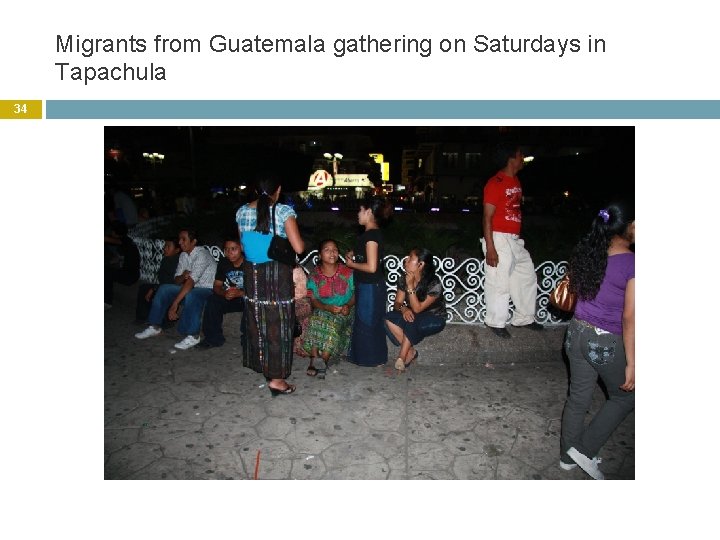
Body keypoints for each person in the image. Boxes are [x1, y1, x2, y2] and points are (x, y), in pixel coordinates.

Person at [559, 202, 635, 480]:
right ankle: (584, 449)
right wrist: (632, 362)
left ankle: (567, 457)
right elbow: (629, 317)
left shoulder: (588, 253)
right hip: (604, 340)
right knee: (627, 397)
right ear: (629, 227)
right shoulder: (631, 262)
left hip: (575, 333)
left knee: (577, 398)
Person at [236, 176, 304, 396]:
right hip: (275, 276)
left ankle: (264, 367)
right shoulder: (283, 212)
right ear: (279, 189)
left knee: (257, 322)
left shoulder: (241, 212)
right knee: (278, 326)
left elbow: (245, 246)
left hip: (252, 275)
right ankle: (276, 379)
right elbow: (299, 248)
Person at [481, 143, 543, 339]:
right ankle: (495, 321)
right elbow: (487, 217)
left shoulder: (515, 181)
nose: (523, 157)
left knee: (526, 275)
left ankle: (524, 317)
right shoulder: (495, 182)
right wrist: (490, 247)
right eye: (520, 154)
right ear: (511, 158)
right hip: (498, 237)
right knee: (500, 281)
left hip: (514, 239)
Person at [134, 228, 216, 350]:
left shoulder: (202, 254)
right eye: (179, 239)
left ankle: (193, 335)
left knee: (192, 295)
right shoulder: (183, 255)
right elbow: (177, 280)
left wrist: (175, 304)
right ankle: (155, 326)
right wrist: (183, 275)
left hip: (206, 289)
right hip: (189, 288)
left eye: (184, 239)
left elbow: (191, 282)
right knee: (164, 289)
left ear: (193, 242)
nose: (180, 242)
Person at [345, 196, 392, 367]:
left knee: (368, 322)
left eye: (360, 210)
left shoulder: (371, 235)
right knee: (367, 321)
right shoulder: (371, 234)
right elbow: (369, 258)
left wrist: (352, 264)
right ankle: (368, 357)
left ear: (369, 212)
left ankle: (371, 359)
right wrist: (354, 254)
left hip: (370, 285)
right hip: (369, 285)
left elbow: (372, 266)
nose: (358, 213)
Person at [384, 247, 447, 372]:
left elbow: (418, 309)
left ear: (420, 264)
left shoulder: (434, 283)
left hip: (434, 317)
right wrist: (404, 309)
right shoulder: (404, 278)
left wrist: (411, 286)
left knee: (412, 320)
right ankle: (411, 351)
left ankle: (402, 356)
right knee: (388, 317)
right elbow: (397, 303)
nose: (406, 260)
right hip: (412, 315)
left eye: (410, 258)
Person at [304, 239, 355, 379]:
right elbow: (313, 300)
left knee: (333, 323)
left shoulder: (348, 273)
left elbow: (356, 294)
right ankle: (314, 358)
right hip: (323, 308)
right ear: (320, 255)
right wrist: (326, 307)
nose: (332, 252)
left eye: (335, 250)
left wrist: (348, 306)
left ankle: (324, 359)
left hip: (345, 310)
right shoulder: (314, 276)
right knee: (315, 319)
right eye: (327, 250)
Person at [197, 235, 246, 350]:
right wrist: (224, 293)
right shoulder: (224, 262)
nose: (229, 252)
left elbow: (259, 289)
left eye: (233, 249)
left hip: (248, 296)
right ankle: (213, 339)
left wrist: (241, 293)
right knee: (213, 300)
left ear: (241, 249)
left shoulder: (250, 262)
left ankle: (247, 340)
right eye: (227, 249)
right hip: (232, 296)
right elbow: (217, 286)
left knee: (250, 302)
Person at [135, 237, 181, 322]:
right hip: (163, 285)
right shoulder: (166, 259)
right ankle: (142, 317)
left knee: (159, 291)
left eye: (168, 247)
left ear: (177, 250)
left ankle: (164, 321)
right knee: (144, 288)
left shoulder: (177, 262)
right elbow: (162, 278)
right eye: (165, 246)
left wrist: (154, 288)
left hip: (172, 287)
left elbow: (171, 281)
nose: (165, 249)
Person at [104, 221, 140, 309]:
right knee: (107, 270)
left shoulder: (125, 241)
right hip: (130, 272)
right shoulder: (128, 241)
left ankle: (107, 302)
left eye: (112, 231)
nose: (111, 233)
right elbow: (123, 256)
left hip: (130, 275)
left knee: (106, 273)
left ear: (115, 232)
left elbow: (108, 239)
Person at [292, 265, 312, 360]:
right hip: (283, 301)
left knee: (305, 309)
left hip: (298, 298)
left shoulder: (297, 270)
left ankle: (300, 346)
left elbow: (302, 291)